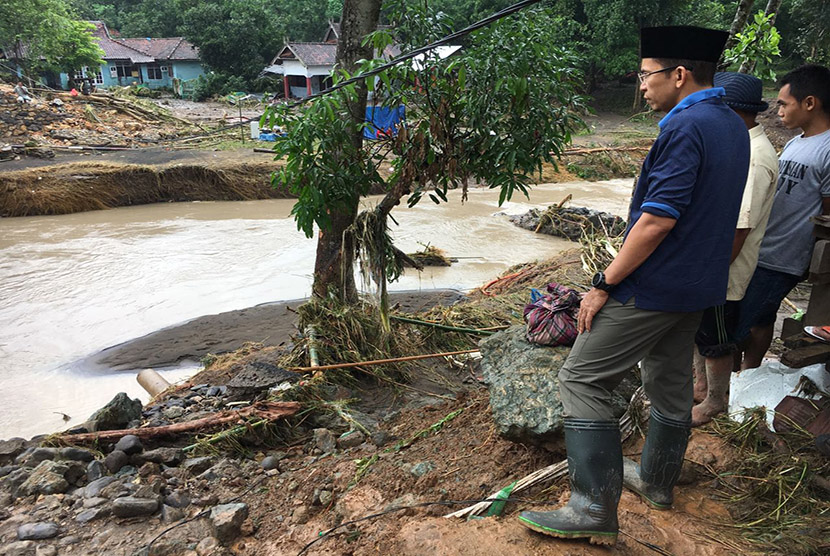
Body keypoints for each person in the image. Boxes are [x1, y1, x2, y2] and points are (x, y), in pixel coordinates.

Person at [517, 26, 750, 546]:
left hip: (654, 287)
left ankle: (591, 507)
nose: (641, 86)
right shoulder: (731, 124)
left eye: (646, 75)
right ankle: (656, 480)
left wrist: (603, 283)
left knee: (581, 379)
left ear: (679, 74)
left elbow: (656, 220)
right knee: (668, 378)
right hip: (697, 285)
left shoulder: (685, 126)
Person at [691, 72, 779, 426]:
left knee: (716, 335)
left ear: (731, 111)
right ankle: (701, 387)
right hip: (714, 260)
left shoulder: (755, 158)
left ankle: (715, 400)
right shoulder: (739, 146)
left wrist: (710, 272)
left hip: (724, 267)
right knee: (702, 329)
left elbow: (740, 228)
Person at [736, 64, 830, 370]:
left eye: (783, 103)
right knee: (761, 319)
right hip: (763, 248)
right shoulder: (796, 142)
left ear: (810, 103)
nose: (778, 111)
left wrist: (809, 259)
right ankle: (746, 376)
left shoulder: (827, 149)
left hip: (785, 256)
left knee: (743, 323)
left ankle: (734, 379)